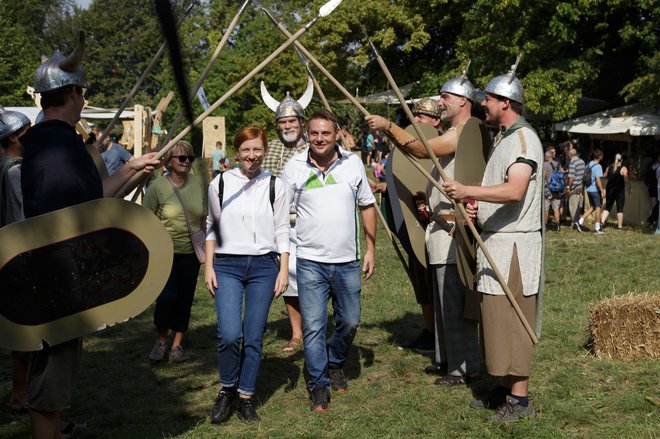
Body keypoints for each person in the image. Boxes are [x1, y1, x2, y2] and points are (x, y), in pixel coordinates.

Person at [19, 33, 160, 438]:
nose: (84, 99)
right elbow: (76, 216)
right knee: (51, 371)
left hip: (57, 274)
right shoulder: (56, 147)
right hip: (54, 278)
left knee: (58, 366)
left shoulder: (52, 140)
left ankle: (57, 430)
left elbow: (91, 198)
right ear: (73, 93)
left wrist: (133, 169)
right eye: (82, 92)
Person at [442, 63, 543, 422]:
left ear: (506, 101)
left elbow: (516, 189)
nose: (482, 103)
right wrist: (477, 203)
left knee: (514, 322)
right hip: (497, 243)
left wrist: (469, 189)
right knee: (496, 320)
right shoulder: (503, 138)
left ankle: (520, 400)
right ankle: (504, 388)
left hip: (514, 247)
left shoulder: (523, 138)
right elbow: (500, 189)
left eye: (488, 98)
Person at [366, 72, 481, 385]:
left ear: (462, 101)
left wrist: (389, 127)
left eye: (445, 97)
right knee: (442, 297)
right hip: (439, 226)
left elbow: (421, 150)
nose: (440, 102)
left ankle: (463, 368)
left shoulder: (464, 132)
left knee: (454, 301)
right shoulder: (459, 130)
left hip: (453, 228)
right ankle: (446, 361)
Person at [281, 109, 376, 411]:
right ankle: (319, 386)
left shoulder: (353, 164)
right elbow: (280, 213)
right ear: (307, 135)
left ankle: (335, 361)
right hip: (309, 260)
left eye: (326, 133)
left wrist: (371, 249)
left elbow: (367, 205)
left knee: (349, 321)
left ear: (337, 134)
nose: (319, 138)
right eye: (314, 133)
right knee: (313, 327)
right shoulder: (293, 167)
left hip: (347, 260)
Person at [205, 126, 290, 423]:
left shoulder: (276, 185)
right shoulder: (220, 183)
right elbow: (211, 224)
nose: (251, 156)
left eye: (257, 150)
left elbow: (282, 230)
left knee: (253, 335)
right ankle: (226, 390)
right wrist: (209, 266)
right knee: (230, 334)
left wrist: (283, 269)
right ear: (236, 152)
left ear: (264, 150)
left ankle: (245, 396)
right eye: (245, 150)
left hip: (264, 267)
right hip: (227, 265)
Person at [143, 140, 206, 364]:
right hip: (164, 253)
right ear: (169, 161)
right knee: (166, 298)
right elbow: (145, 219)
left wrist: (207, 247)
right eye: (181, 158)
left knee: (185, 299)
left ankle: (177, 346)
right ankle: (161, 341)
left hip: (190, 254)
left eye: (190, 158)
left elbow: (203, 217)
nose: (187, 162)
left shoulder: (199, 183)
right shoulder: (157, 187)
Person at [260, 84, 311, 354]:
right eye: (283, 122)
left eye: (292, 120)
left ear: (301, 122)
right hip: (283, 226)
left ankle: (316, 329)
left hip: (314, 224)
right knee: (288, 280)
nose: (287, 125)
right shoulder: (269, 152)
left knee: (316, 278)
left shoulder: (316, 148)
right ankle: (297, 333)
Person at [0, 107, 31, 412]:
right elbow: (20, 218)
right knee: (25, 330)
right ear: (12, 138)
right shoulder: (14, 171)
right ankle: (20, 395)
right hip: (17, 256)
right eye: (26, 133)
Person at [578, 149, 605, 234]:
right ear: (600, 156)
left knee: (592, 207)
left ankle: (579, 221)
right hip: (595, 190)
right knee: (598, 208)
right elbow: (598, 180)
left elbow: (584, 178)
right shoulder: (598, 166)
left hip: (588, 189)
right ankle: (597, 228)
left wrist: (583, 190)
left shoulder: (588, 165)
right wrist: (602, 191)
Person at [601, 153, 630, 230]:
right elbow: (626, 181)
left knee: (608, 207)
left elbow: (604, 175)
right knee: (620, 208)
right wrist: (629, 190)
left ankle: (602, 222)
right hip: (619, 191)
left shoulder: (609, 167)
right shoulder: (624, 168)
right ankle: (620, 226)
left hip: (609, 189)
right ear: (622, 160)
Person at [566, 146, 586, 231]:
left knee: (573, 207)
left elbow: (571, 177)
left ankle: (575, 224)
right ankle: (576, 222)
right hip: (581, 187)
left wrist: (568, 187)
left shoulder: (572, 163)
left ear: (570, 155)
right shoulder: (582, 161)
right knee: (579, 207)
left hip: (574, 188)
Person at [543, 149, 563, 231]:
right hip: (557, 189)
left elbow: (544, 175)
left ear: (547, 157)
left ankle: (545, 225)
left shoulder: (545, 164)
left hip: (547, 189)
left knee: (546, 208)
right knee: (556, 208)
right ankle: (558, 225)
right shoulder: (558, 164)